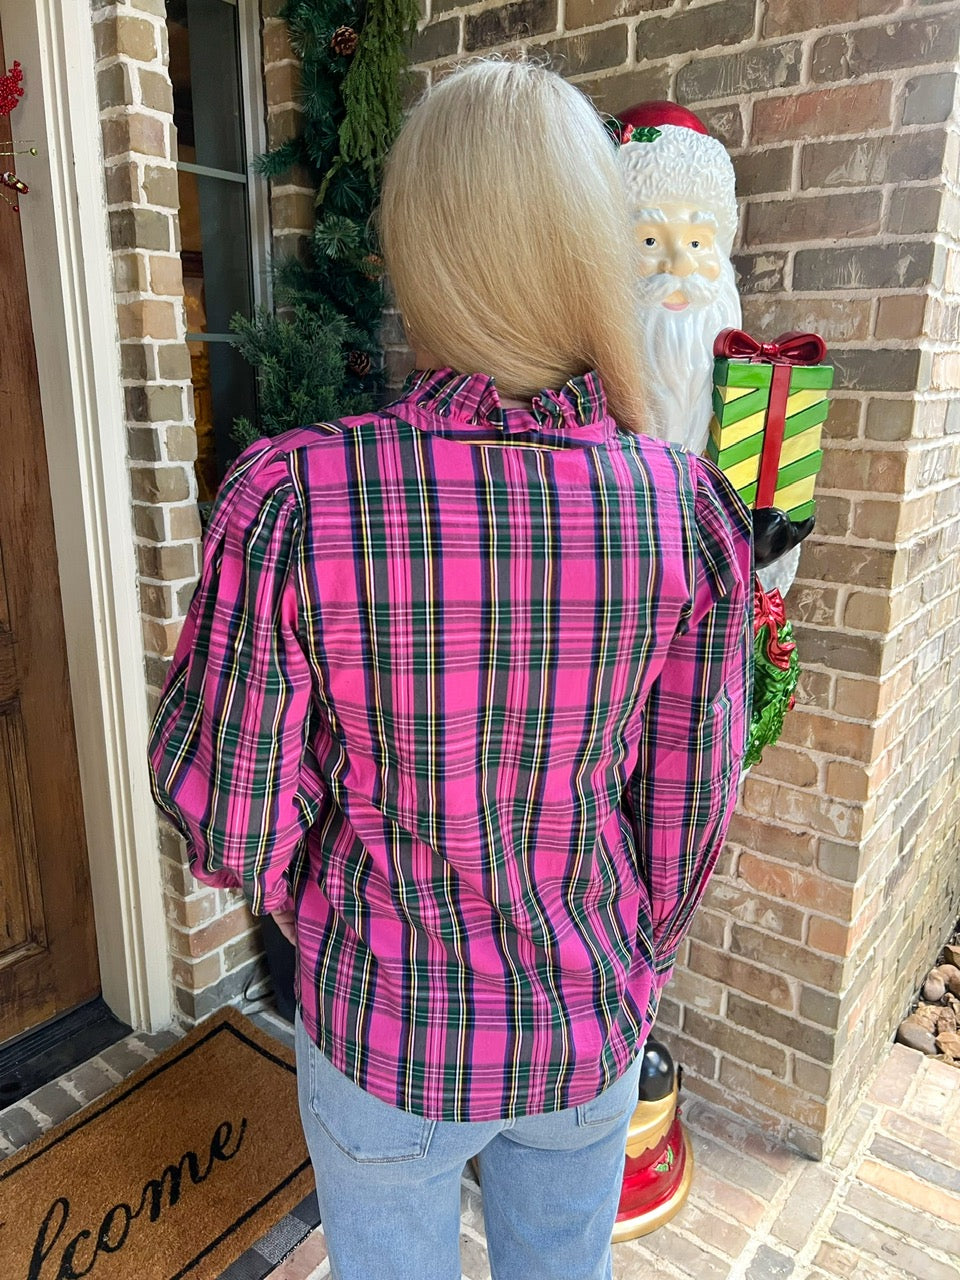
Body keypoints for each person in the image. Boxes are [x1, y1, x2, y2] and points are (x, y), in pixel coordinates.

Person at [148, 59, 752, 1280]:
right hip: (586, 1025)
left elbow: (230, 815)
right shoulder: (678, 508)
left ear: (417, 250)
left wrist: (330, 918)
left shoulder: (299, 499)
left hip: (383, 1034)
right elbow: (691, 815)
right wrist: (626, 956)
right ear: (587, 245)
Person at [618, 101, 810, 596]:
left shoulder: (751, 401)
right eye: (649, 241)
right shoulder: (577, 396)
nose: (680, 264)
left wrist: (761, 552)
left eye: (699, 243)